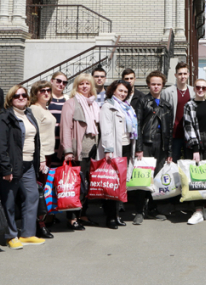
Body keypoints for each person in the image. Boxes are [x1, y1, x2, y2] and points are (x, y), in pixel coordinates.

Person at [0, 85, 44, 250]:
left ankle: (27, 234)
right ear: (10, 99)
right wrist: (6, 168)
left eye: (23, 95)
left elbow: (35, 140)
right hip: (12, 165)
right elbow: (0, 145)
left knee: (32, 196)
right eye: (16, 96)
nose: (21, 98)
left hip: (29, 164)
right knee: (9, 201)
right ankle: (11, 235)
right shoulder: (5, 117)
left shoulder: (29, 115)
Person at [61, 72, 101, 229]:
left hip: (93, 150)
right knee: (76, 186)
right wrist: (68, 151)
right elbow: (66, 128)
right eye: (81, 84)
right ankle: (72, 218)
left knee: (89, 185)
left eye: (87, 83)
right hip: (78, 151)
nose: (85, 86)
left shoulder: (94, 103)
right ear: (76, 86)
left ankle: (83, 214)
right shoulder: (71, 103)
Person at [133, 71, 173, 222]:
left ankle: (153, 208)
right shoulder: (142, 101)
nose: (156, 87)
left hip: (161, 145)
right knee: (143, 178)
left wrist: (169, 151)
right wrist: (139, 148)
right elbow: (137, 125)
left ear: (162, 86)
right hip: (146, 144)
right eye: (153, 84)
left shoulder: (167, 105)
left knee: (156, 178)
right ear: (148, 85)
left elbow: (169, 130)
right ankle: (138, 210)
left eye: (159, 84)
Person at [99, 79, 138, 229]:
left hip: (127, 147)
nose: (122, 94)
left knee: (120, 184)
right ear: (113, 90)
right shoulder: (108, 106)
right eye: (120, 90)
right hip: (115, 148)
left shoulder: (128, 107)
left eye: (125, 92)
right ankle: (110, 217)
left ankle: (117, 215)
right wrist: (108, 149)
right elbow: (106, 129)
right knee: (111, 183)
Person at [182, 79, 206, 225]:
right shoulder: (189, 105)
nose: (201, 90)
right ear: (194, 88)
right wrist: (195, 148)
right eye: (198, 87)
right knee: (196, 176)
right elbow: (188, 126)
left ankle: (204, 208)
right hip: (196, 140)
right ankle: (197, 210)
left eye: (204, 87)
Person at [29, 80, 57, 238]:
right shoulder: (34, 109)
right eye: (42, 91)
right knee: (39, 191)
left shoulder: (45, 109)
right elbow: (36, 135)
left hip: (49, 154)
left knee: (44, 190)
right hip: (41, 156)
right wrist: (40, 159)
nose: (46, 93)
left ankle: (40, 222)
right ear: (35, 93)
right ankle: (39, 225)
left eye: (48, 90)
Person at [161, 62, 194, 162]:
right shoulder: (167, 92)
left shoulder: (193, 91)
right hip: (174, 134)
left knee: (190, 162)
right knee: (173, 161)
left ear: (188, 74)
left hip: (189, 134)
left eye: (184, 73)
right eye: (180, 74)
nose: (182, 76)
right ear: (175, 75)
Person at [49, 71, 68, 152]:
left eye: (64, 82)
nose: (61, 84)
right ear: (51, 81)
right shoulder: (46, 98)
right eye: (58, 81)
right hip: (48, 140)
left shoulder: (67, 99)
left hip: (62, 141)